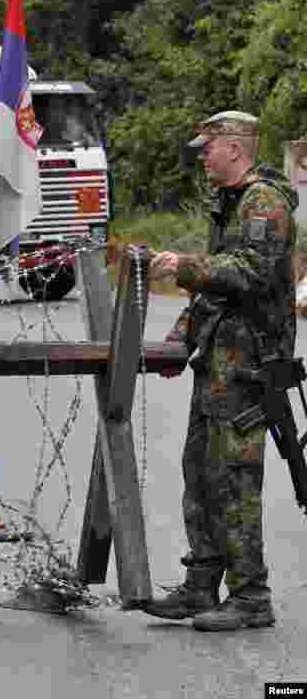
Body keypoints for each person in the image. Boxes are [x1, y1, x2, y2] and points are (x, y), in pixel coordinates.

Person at [145, 111, 297, 632]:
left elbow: (252, 274)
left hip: (250, 364)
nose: (201, 157)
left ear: (235, 147)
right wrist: (181, 335)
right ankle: (201, 585)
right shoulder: (228, 202)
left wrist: (183, 266)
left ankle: (251, 596)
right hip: (216, 357)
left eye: (208, 148)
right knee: (200, 472)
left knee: (234, 479)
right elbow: (216, 286)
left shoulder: (265, 203)